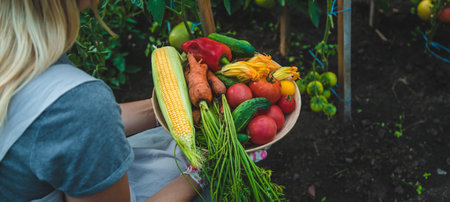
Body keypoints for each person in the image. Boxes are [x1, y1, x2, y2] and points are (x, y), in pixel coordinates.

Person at [0, 0, 205, 201]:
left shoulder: (13, 55)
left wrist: (164, 108)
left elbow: (71, 131)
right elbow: (79, 119)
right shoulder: (79, 105)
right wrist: (198, 174)